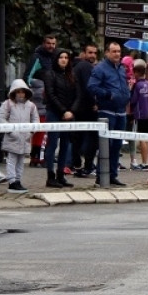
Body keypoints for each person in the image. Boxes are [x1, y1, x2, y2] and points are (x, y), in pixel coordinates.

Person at [88, 42, 131, 187]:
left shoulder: (121, 68)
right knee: (107, 145)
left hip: (121, 111)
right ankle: (101, 176)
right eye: (114, 51)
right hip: (107, 111)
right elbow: (92, 87)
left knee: (117, 145)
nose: (117, 54)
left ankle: (113, 175)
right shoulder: (100, 68)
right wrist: (108, 95)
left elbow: (123, 84)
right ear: (107, 52)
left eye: (119, 51)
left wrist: (126, 95)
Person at [43, 48, 81, 188]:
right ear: (56, 59)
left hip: (69, 114)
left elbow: (78, 95)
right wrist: (63, 110)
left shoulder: (71, 75)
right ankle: (50, 176)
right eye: (61, 57)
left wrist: (72, 111)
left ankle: (61, 174)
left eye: (66, 57)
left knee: (66, 144)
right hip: (54, 113)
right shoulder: (50, 74)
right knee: (52, 144)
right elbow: (51, 94)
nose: (64, 59)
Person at [0, 78, 39, 194]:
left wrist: (31, 132)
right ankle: (12, 181)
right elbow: (2, 118)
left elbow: (36, 120)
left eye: (22, 91)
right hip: (12, 137)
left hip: (25, 137)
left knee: (21, 160)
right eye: (18, 91)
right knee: (11, 160)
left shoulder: (31, 106)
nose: (21, 94)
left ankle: (18, 180)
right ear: (14, 92)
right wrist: (11, 131)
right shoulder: (8, 104)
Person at [25, 34, 57, 168]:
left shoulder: (54, 57)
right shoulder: (36, 57)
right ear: (44, 43)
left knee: (47, 129)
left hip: (51, 95)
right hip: (39, 97)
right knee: (40, 127)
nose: (51, 46)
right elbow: (27, 76)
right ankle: (35, 156)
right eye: (49, 43)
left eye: (53, 44)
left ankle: (44, 156)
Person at [71, 44, 99, 178]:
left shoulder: (76, 67)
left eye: (94, 53)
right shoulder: (86, 67)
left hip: (77, 107)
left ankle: (77, 166)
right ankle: (87, 166)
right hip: (86, 107)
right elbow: (89, 87)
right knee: (92, 138)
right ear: (84, 53)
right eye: (90, 52)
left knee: (78, 138)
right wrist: (95, 103)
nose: (92, 55)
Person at [129, 59, 148, 170]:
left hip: (140, 114)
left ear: (136, 73)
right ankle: (146, 161)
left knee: (142, 138)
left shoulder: (137, 85)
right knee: (147, 138)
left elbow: (133, 100)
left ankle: (144, 163)